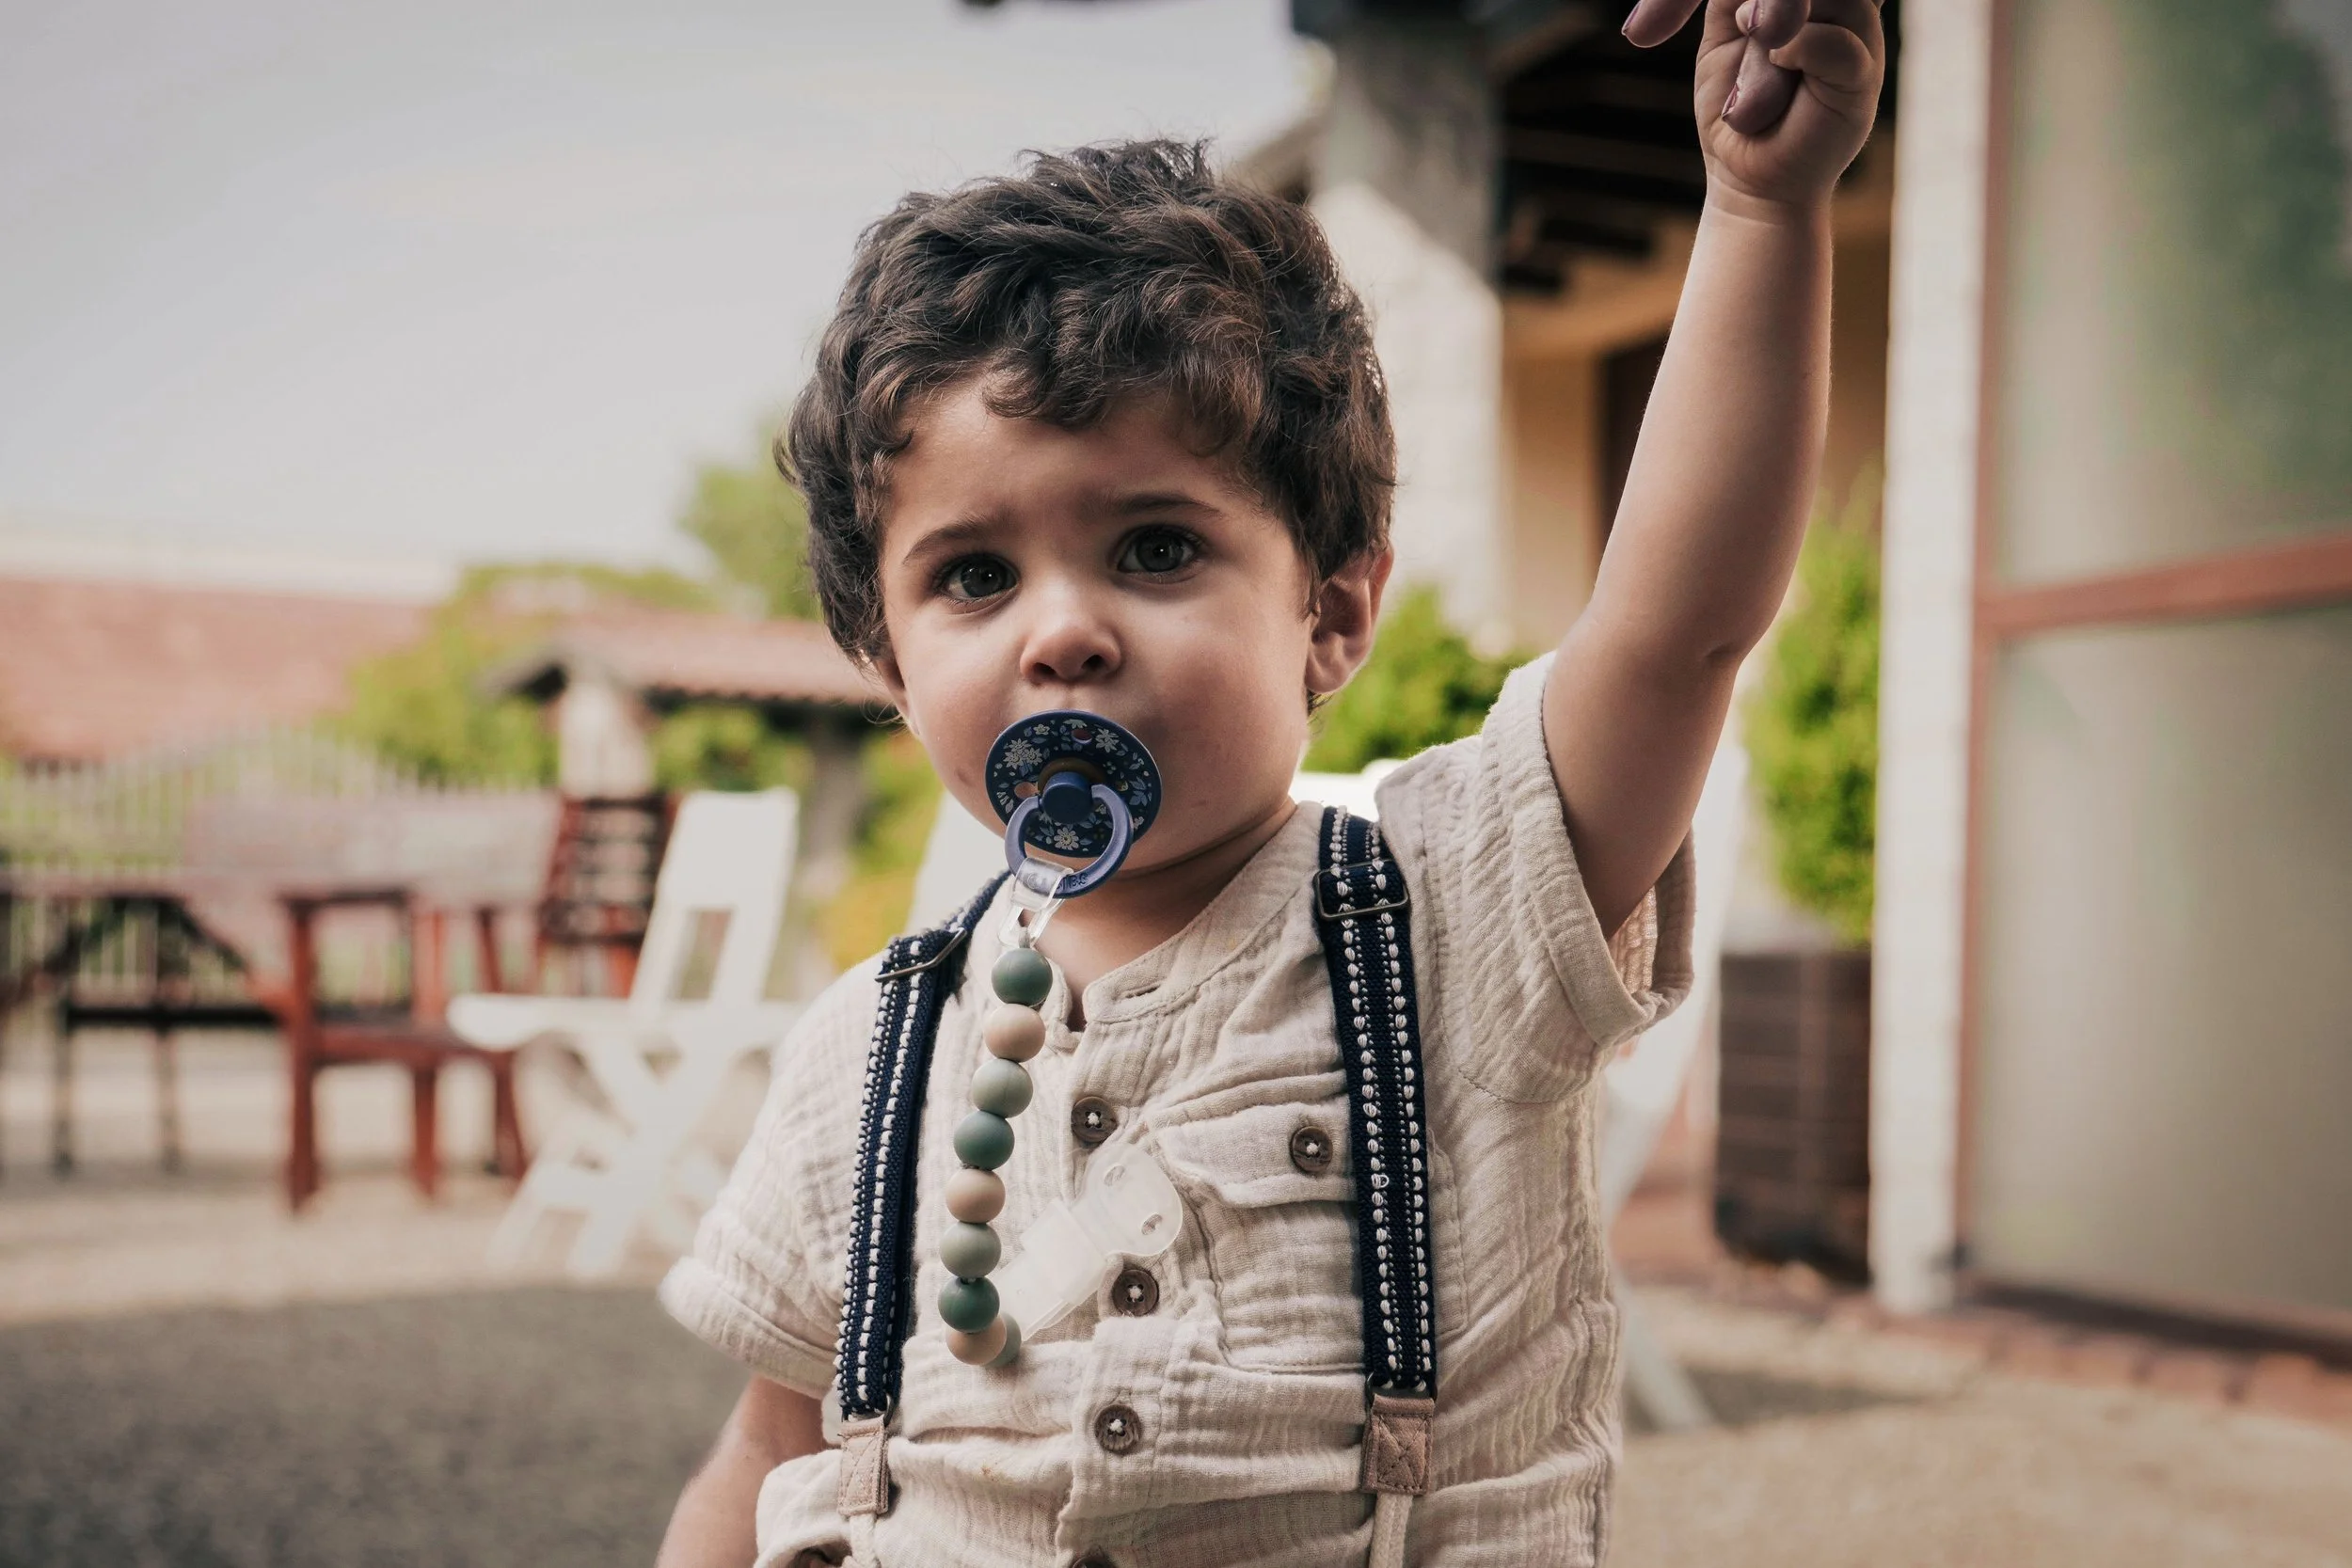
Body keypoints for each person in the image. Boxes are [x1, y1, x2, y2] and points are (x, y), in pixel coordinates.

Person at [656, 1, 1884, 1562]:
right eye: (971, 575)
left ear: (1333, 610)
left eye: (1155, 547)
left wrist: (1766, 205)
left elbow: (1680, 631)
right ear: (889, 665)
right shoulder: (865, 1058)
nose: (1066, 631)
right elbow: (768, 1455)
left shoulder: (1464, 917)